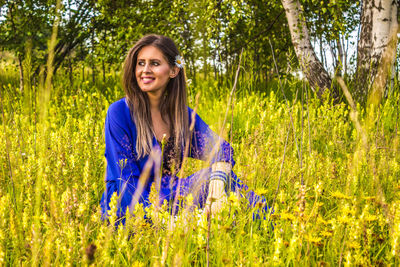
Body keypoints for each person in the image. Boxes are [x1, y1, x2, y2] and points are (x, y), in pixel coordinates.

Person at [100, 34, 267, 222]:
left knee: (225, 182)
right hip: (128, 207)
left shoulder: (181, 116)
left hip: (169, 196)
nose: (145, 70)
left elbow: (221, 150)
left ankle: (269, 223)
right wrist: (167, 223)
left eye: (154, 63)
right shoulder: (120, 112)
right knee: (218, 189)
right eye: (140, 63)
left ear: (173, 70)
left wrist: (217, 191)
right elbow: (125, 181)